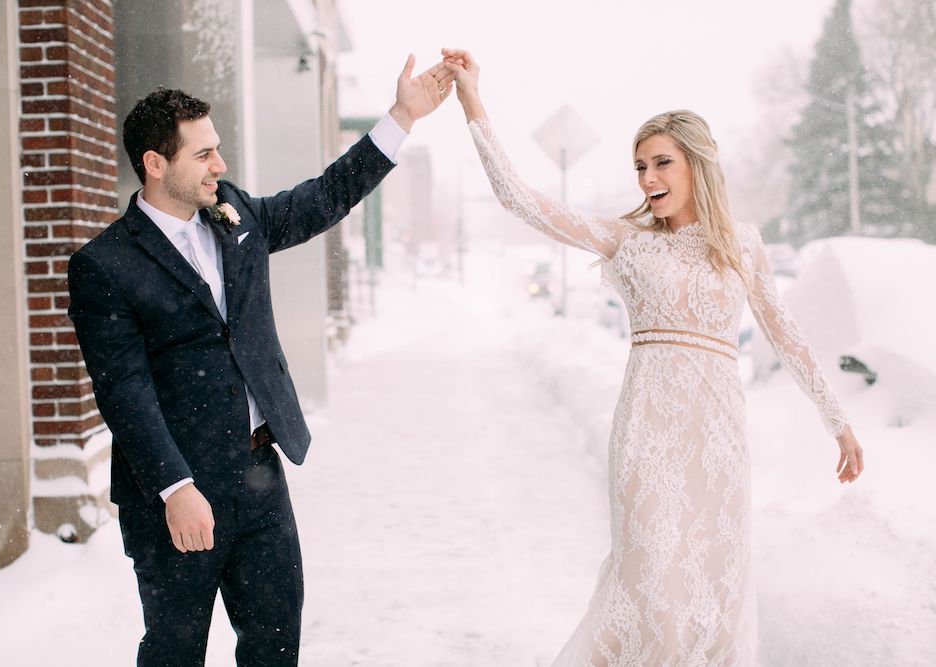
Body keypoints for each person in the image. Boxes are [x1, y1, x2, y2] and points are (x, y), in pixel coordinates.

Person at [441, 49, 864, 665]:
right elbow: (519, 199)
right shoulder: (627, 241)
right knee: (650, 589)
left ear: (697, 165)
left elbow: (787, 336)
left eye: (661, 163)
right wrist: (473, 101)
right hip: (647, 438)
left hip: (718, 441)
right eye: (640, 166)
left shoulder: (742, 244)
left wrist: (839, 422)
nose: (647, 179)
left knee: (714, 597)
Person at [67, 56, 455, 667]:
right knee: (175, 651)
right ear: (155, 163)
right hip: (177, 493)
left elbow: (322, 198)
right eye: (203, 154)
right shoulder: (105, 265)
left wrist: (402, 116)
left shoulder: (235, 215)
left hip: (257, 477)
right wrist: (175, 488)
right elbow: (124, 391)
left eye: (217, 149)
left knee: (275, 643)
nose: (219, 165)